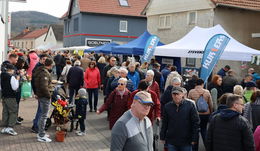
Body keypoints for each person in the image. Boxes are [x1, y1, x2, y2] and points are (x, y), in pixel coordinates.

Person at [160, 86, 200, 151]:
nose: (176, 96)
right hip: (172, 141)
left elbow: (195, 122)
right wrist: (162, 136)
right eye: (174, 94)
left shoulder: (190, 105)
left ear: (182, 95)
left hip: (186, 141)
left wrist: (194, 138)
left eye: (177, 94)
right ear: (171, 95)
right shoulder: (167, 106)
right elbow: (164, 123)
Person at [188, 78, 213, 151]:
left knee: (195, 131)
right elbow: (210, 104)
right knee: (204, 130)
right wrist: (210, 112)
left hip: (195, 114)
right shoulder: (207, 92)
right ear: (202, 84)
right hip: (205, 114)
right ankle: (207, 147)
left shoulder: (191, 92)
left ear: (195, 84)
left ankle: (195, 148)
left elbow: (188, 103)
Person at [33, 58, 53, 142]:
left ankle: (41, 133)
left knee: (42, 115)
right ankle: (41, 135)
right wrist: (48, 95)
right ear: (50, 65)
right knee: (44, 116)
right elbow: (43, 86)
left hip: (41, 95)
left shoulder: (40, 71)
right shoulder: (44, 73)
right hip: (44, 96)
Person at [0, 64, 20, 136]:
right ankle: (10, 127)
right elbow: (15, 88)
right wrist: (17, 80)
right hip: (11, 97)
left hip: (4, 96)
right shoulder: (11, 77)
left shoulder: (2, 75)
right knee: (13, 111)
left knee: (5, 111)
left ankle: (5, 126)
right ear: (11, 70)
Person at [31, 53, 48, 133]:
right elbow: (33, 82)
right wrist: (35, 93)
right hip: (40, 92)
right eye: (43, 59)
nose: (45, 61)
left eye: (46, 59)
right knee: (41, 110)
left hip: (39, 92)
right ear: (40, 59)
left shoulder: (41, 67)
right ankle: (36, 126)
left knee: (40, 109)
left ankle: (36, 124)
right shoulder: (38, 68)